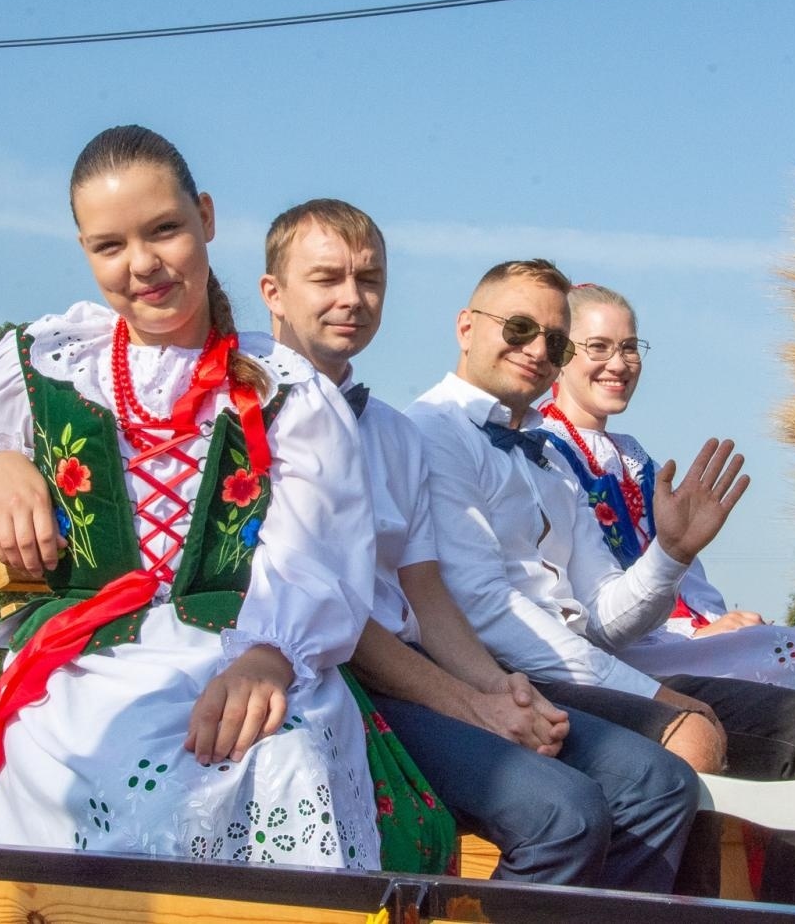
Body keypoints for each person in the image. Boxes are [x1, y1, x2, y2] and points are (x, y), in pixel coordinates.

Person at [0, 125, 403, 870]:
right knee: (61, 746)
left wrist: (270, 655)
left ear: (205, 217)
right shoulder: (48, 358)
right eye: (110, 246)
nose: (142, 264)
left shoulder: (286, 386)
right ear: (85, 251)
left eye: (165, 230)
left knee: (276, 753)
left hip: (241, 648)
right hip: (83, 668)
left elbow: (316, 548)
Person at [257, 199, 699, 893]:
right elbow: (336, 614)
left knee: (659, 782)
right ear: (273, 294)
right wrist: (472, 702)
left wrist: (500, 688)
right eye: (327, 279)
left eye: (369, 280)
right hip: (338, 674)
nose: (352, 298)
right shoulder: (248, 412)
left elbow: (425, 588)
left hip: (417, 662)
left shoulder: (393, 433)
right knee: (567, 814)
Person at [405, 258, 795, 907]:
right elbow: (487, 610)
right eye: (519, 328)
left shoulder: (548, 456)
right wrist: (650, 691)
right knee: (690, 743)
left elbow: (605, 616)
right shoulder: (429, 431)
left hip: (581, 664)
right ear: (466, 326)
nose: (537, 350)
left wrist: (672, 552)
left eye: (555, 340)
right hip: (498, 668)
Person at [539, 282, 795, 730]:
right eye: (599, 347)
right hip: (619, 654)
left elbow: (691, 582)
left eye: (629, 347)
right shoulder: (547, 453)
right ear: (561, 353)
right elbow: (589, 607)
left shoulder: (636, 460)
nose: (619, 363)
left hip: (674, 637)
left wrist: (717, 621)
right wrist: (698, 631)